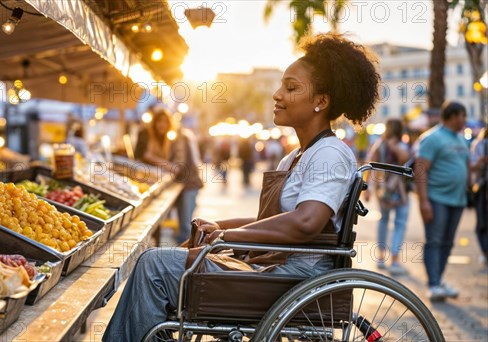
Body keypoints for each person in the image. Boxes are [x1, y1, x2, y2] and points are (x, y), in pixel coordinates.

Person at [102, 33, 381, 340]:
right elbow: (269, 222)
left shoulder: (330, 153)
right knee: (163, 259)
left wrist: (227, 236)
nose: (277, 95)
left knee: (153, 265)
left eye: (291, 87)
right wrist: (217, 225)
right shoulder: (294, 156)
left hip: (294, 279)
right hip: (273, 271)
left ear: (321, 101)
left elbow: (305, 222)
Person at [414, 101, 470, 301]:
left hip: (458, 200)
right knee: (435, 241)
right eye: (463, 116)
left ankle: (439, 279)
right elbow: (420, 169)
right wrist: (423, 201)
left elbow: (465, 166)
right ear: (453, 116)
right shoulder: (432, 138)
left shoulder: (461, 139)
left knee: (447, 242)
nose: (465, 120)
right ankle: (434, 284)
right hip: (437, 199)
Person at [135, 108, 204, 244]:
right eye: (158, 122)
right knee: (180, 225)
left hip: (189, 184)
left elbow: (178, 167)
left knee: (185, 225)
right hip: (181, 185)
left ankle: (186, 259)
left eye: (165, 122)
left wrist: (151, 158)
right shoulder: (171, 137)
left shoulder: (179, 137)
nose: (161, 125)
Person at [364, 119, 411, 275]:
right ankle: (392, 258)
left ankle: (384, 256)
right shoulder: (398, 145)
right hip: (397, 191)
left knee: (386, 221)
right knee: (398, 223)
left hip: (387, 190)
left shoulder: (381, 144)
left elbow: (369, 166)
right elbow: (404, 158)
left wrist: (368, 188)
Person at [470, 128, 487, 267]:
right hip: (482, 187)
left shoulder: (479, 144)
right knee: (482, 222)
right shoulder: (480, 144)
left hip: (481, 187)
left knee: (482, 222)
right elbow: (472, 166)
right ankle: (485, 251)